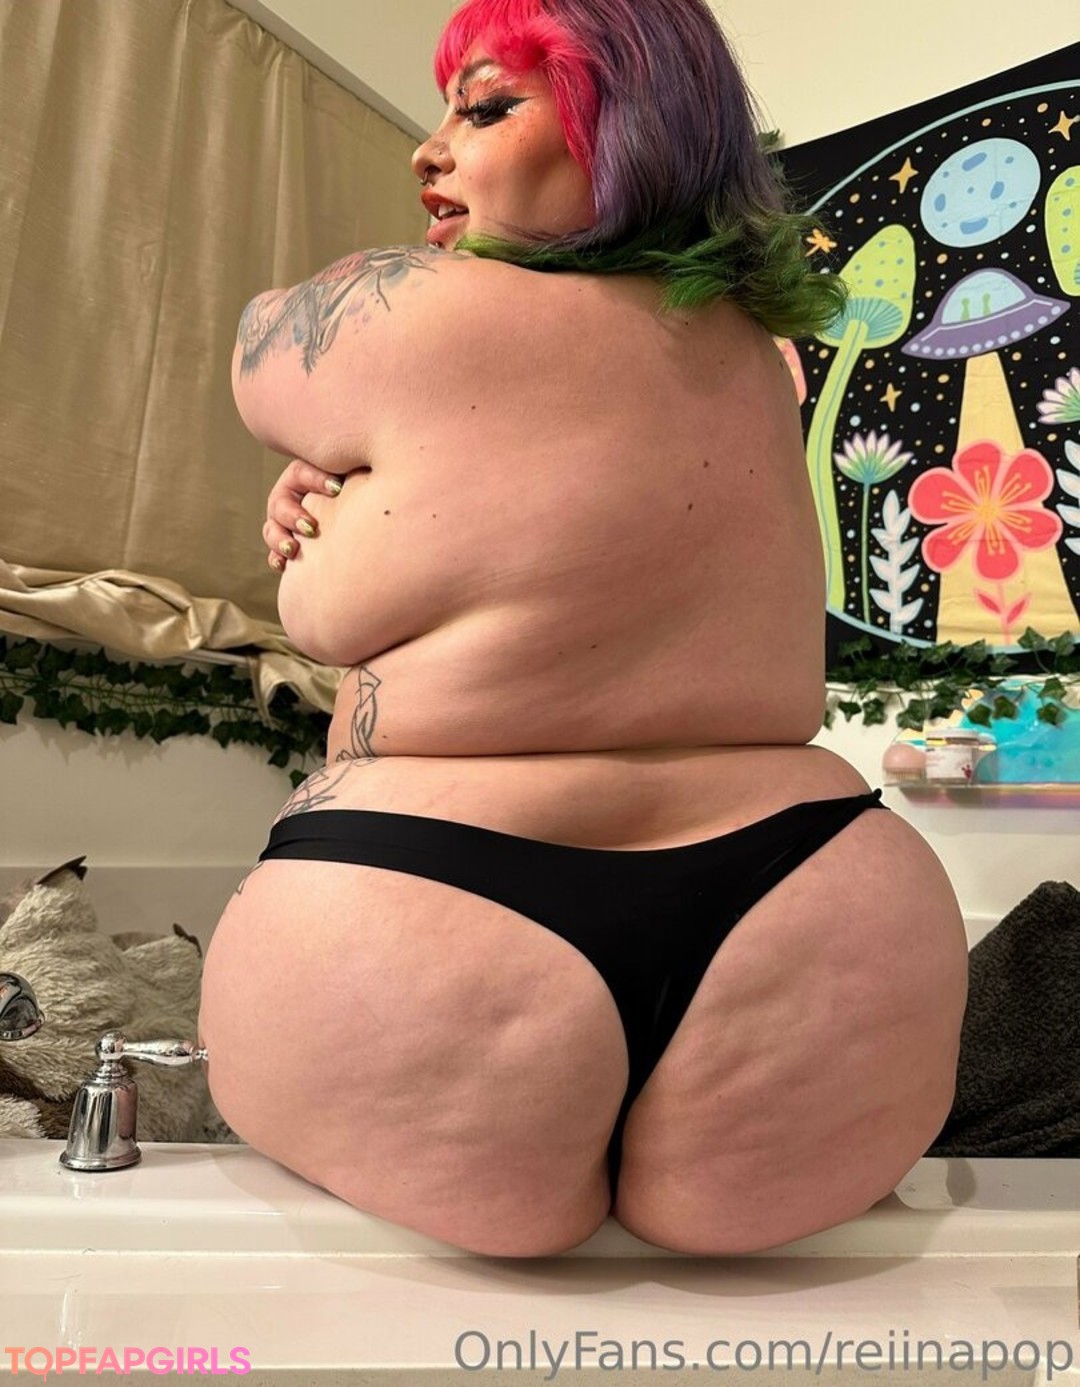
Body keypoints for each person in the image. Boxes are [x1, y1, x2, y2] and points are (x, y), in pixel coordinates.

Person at [199, 0, 968, 1257]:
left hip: (419, 903)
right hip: (818, 902)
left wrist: (330, 480)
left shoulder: (404, 307)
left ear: (633, 134)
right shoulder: (759, 357)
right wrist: (361, 474)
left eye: (486, 107)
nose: (429, 149)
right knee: (742, 1296)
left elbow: (258, 350)